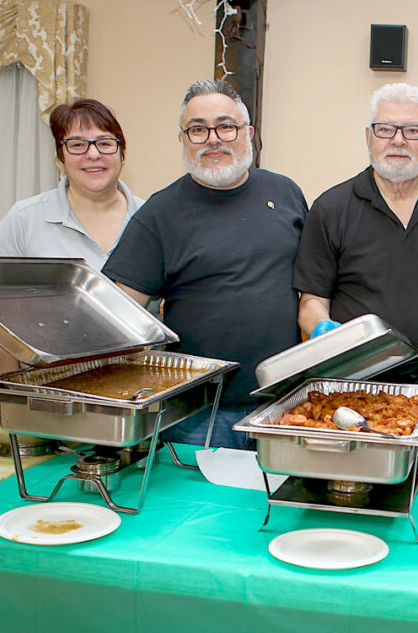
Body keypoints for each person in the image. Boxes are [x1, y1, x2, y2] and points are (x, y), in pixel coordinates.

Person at [103, 80, 307, 449]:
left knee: (277, 506)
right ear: (182, 140)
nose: (213, 139)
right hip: (199, 416)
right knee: (200, 508)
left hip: (285, 407)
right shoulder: (159, 214)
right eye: (197, 129)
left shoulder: (286, 193)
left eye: (225, 126)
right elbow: (119, 312)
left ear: (248, 133)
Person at [293, 83, 418, 471]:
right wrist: (322, 331)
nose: (398, 140)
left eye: (413, 130)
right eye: (386, 129)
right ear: (369, 136)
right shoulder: (331, 209)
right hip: (353, 394)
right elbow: (311, 302)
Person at [0, 98, 145, 374]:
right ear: (61, 156)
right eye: (77, 144)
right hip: (49, 393)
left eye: (105, 143)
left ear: (123, 152)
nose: (93, 155)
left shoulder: (153, 220)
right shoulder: (24, 219)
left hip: (138, 392)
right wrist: (9, 393)